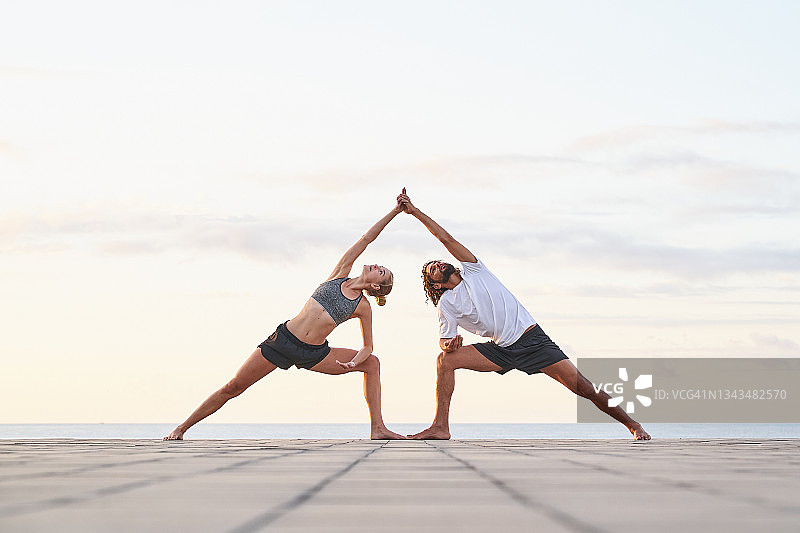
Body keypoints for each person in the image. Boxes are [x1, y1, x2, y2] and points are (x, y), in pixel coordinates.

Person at [396, 190, 651, 441]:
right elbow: (444, 340)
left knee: (583, 387)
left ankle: (633, 425)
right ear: (436, 284)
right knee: (445, 360)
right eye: (432, 270)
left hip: (533, 340)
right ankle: (440, 427)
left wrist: (415, 212)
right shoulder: (447, 304)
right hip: (502, 349)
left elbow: (446, 239)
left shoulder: (475, 270)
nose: (438, 265)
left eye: (437, 263)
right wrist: (449, 345)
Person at [164, 202, 407, 440]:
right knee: (234, 387)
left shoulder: (362, 306)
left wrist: (354, 363)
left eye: (381, 271)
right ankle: (182, 428)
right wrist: (395, 211)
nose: (377, 265)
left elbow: (368, 347)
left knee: (372, 363)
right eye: (381, 266)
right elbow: (366, 239)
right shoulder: (340, 274)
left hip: (315, 353)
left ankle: (378, 428)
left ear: (376, 285)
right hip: (283, 341)